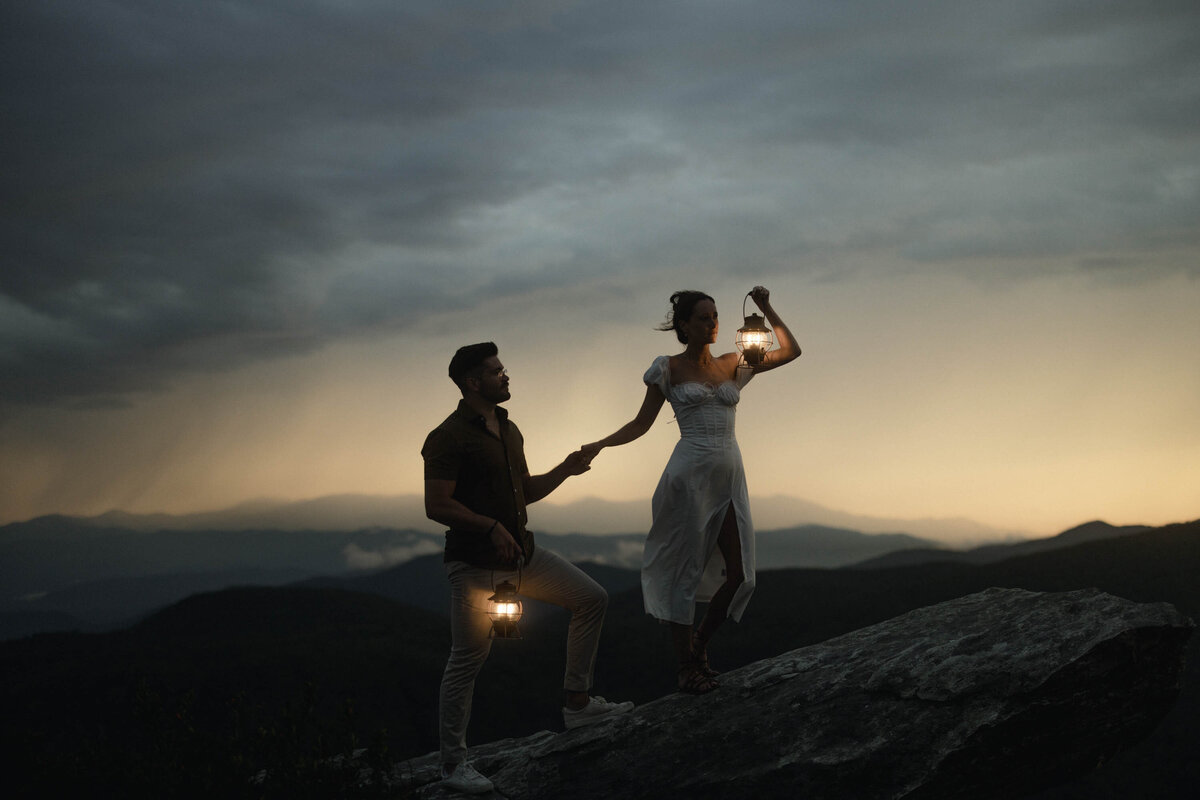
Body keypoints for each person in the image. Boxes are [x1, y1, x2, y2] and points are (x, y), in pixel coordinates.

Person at [422, 341, 634, 794]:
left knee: (591, 598)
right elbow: (436, 504)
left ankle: (577, 705)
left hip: (522, 555)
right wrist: (491, 527)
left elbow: (524, 490)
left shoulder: (509, 428)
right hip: (476, 566)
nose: (506, 376)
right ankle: (452, 766)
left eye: (504, 369)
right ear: (472, 382)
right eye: (497, 371)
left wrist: (565, 469)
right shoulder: (447, 437)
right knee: (468, 659)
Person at [582, 286, 801, 695]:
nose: (714, 322)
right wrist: (601, 444)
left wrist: (765, 308)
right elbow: (640, 423)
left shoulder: (736, 362)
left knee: (738, 575)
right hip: (689, 478)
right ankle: (686, 668)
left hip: (730, 476)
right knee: (683, 574)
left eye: (716, 315)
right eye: (704, 317)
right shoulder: (668, 368)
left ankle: (700, 643)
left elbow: (791, 350)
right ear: (684, 325)